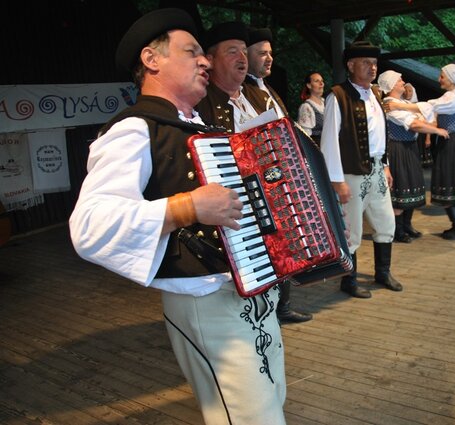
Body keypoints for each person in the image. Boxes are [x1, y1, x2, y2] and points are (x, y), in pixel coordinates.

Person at [69, 11, 287, 425]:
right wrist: (187, 207)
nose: (205, 61)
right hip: (205, 302)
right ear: (151, 60)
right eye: (192, 53)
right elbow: (89, 227)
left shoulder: (199, 127)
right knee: (251, 418)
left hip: (251, 292)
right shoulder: (134, 129)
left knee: (273, 398)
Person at [197, 23, 312, 324]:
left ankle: (274, 311)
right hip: (237, 209)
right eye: (231, 51)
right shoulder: (202, 104)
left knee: (280, 259)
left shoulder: (258, 96)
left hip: (274, 196)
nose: (241, 58)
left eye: (242, 51)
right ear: (209, 60)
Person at [320, 40, 403, 298]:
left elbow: (381, 135)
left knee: (386, 222)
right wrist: (336, 181)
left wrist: (386, 166)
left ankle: (382, 272)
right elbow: (329, 141)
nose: (372, 68)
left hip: (377, 170)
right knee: (352, 230)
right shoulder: (338, 96)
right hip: (351, 174)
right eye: (366, 63)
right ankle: (349, 280)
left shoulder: (376, 94)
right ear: (351, 65)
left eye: (375, 63)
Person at [387, 64, 455, 240]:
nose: (439, 79)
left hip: (451, 141)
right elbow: (424, 117)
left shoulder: (453, 97)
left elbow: (432, 107)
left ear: (452, 78)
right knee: (447, 179)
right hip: (443, 141)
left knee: (451, 179)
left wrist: (402, 107)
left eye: (442, 76)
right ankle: (403, 228)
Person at [378, 70, 449, 242]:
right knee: (401, 189)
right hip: (398, 150)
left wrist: (430, 124)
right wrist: (437, 130)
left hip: (408, 149)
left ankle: (407, 225)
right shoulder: (389, 104)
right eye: (399, 80)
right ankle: (398, 230)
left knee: (411, 186)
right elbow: (415, 124)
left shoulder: (401, 102)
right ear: (390, 85)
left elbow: (424, 117)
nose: (403, 81)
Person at [297, 71, 325, 145]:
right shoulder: (306, 107)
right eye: (317, 81)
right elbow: (305, 136)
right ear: (309, 85)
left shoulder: (326, 103)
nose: (321, 84)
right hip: (318, 149)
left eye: (322, 81)